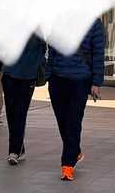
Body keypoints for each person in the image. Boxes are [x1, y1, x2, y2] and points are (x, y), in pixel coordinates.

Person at [47, 19, 105, 181]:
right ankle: (75, 151)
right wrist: (49, 73)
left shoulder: (94, 23)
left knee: (73, 121)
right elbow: (52, 48)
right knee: (62, 121)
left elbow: (98, 53)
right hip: (57, 79)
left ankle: (67, 165)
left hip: (80, 80)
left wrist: (96, 82)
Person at [2, 33, 46, 166]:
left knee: (20, 112)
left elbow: (43, 49)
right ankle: (19, 147)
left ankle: (14, 150)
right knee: (11, 112)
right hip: (9, 74)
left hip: (27, 76)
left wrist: (34, 67)